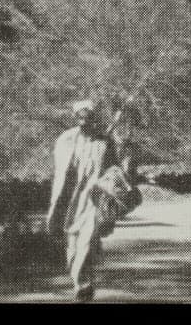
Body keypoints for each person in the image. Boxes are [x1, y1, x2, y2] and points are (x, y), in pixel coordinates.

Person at [45, 100, 130, 302]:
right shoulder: (65, 139)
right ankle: (81, 282)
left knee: (87, 240)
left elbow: (114, 168)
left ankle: (84, 287)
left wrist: (110, 184)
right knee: (72, 247)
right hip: (69, 201)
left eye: (88, 118)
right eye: (80, 118)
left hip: (93, 200)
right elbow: (59, 172)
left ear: (93, 119)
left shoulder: (104, 141)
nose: (84, 122)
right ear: (76, 119)